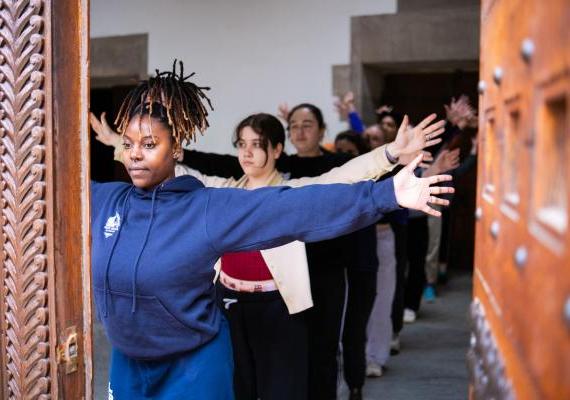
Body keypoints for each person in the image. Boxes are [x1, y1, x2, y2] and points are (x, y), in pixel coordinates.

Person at [91, 62, 453, 400]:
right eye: (129, 145)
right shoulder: (215, 188)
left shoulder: (220, 206)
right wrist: (118, 144)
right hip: (221, 308)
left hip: (263, 313)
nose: (247, 153)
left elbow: (317, 196)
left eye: (256, 144)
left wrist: (387, 177)